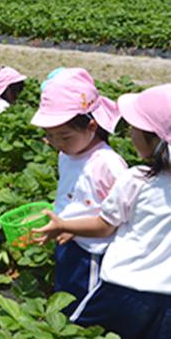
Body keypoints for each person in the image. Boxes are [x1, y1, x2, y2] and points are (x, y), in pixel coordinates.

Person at [34, 84, 171, 339]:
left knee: (76, 333)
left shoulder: (137, 179)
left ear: (154, 139)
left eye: (134, 128)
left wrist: (64, 226)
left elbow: (105, 225)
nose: (130, 133)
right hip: (167, 298)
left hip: (122, 288)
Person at [30, 68, 128, 316]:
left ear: (92, 126)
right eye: (50, 136)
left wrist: (66, 226)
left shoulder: (107, 163)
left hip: (94, 252)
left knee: (84, 312)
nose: (58, 143)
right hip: (68, 240)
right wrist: (58, 223)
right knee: (65, 300)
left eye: (64, 136)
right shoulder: (66, 155)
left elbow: (117, 220)